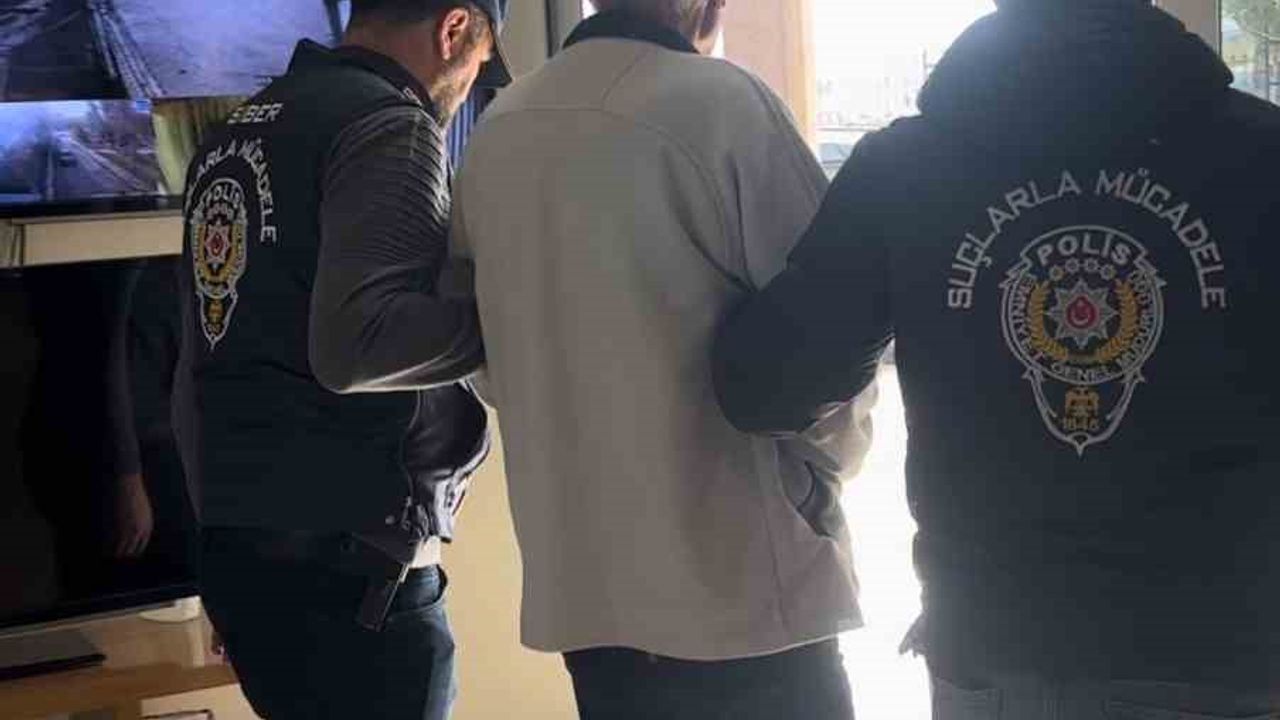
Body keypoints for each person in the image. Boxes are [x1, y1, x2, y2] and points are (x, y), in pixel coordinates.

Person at [713, 0, 1280, 717]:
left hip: (1001, 649)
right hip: (1224, 648)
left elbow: (771, 387)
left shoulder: (906, 168)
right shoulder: (1264, 156)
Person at [450, 1, 875, 718]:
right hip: (741, 587)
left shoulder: (501, 125)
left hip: (586, 588)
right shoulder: (723, 105)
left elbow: (484, 353)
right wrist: (821, 479)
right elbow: (828, 341)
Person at [176, 1, 510, 718]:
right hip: (354, 576)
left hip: (245, 558)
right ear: (453, 30)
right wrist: (515, 322)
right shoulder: (388, 124)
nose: (465, 92)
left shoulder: (232, 135)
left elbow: (197, 363)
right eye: (478, 68)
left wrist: (224, 547)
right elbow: (360, 346)